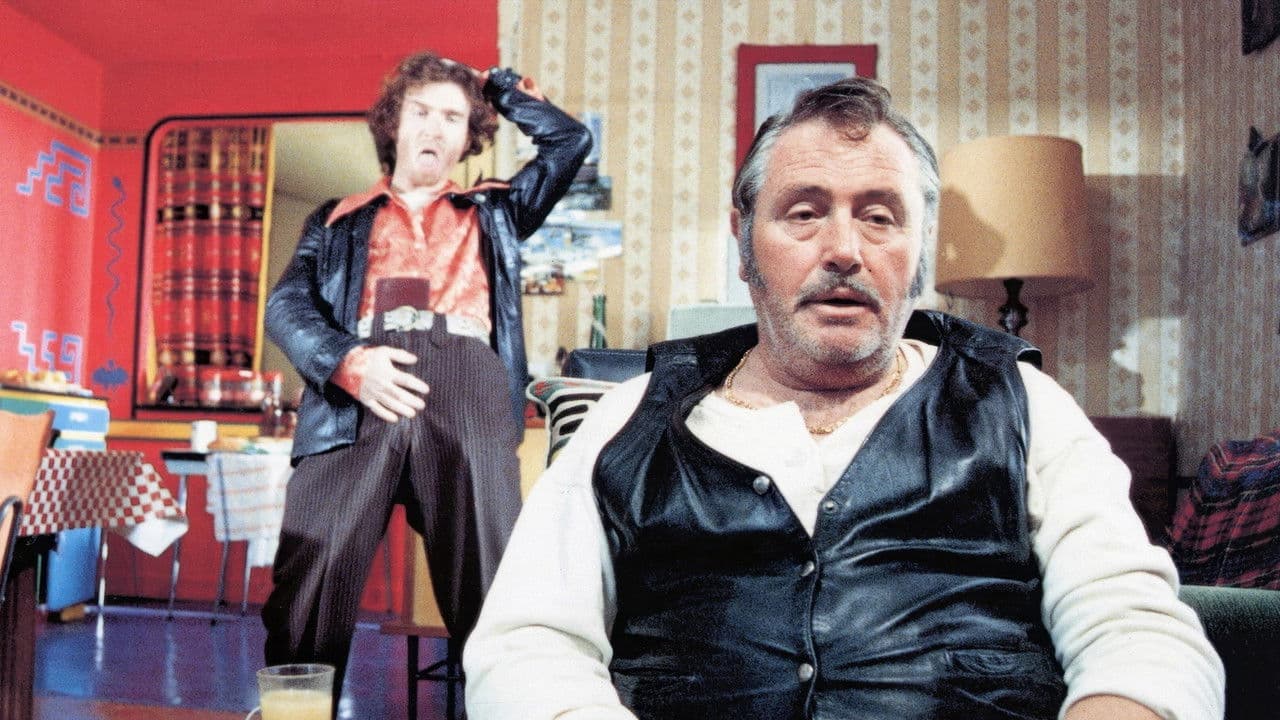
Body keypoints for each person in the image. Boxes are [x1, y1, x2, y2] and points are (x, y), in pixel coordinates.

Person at [463, 77, 1224, 719]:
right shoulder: (629, 416)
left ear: (921, 249)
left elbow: (1138, 633)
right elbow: (528, 647)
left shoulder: (1022, 403)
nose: (844, 251)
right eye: (804, 212)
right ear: (743, 241)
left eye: (880, 216)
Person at [261, 50, 591, 703]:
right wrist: (348, 362)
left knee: (493, 583)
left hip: (467, 380)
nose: (435, 128)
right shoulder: (335, 217)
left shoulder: (496, 210)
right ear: (395, 123)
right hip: (357, 383)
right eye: (422, 112)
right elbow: (286, 306)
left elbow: (569, 142)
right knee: (311, 573)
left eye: (452, 117)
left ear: (470, 137)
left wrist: (499, 89)